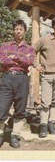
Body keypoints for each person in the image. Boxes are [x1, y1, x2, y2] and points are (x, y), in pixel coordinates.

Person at [0, 19, 35, 148]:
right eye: (16, 29)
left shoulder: (30, 48)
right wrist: (20, 58)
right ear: (13, 31)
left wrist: (13, 58)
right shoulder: (5, 45)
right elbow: (2, 60)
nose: (18, 31)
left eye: (20, 29)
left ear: (24, 31)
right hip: (7, 78)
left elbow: (29, 61)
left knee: (20, 109)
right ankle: (0, 135)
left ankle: (15, 135)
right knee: (1, 108)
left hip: (22, 79)